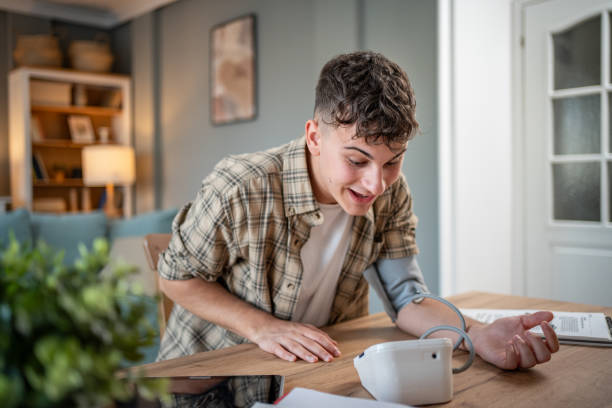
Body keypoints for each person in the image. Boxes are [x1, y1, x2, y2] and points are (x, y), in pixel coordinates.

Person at [156, 51, 560, 407]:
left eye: (392, 161)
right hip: (206, 383)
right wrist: (263, 327)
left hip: (309, 378)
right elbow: (174, 278)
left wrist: (478, 334)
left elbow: (407, 300)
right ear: (315, 137)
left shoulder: (391, 192)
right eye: (357, 160)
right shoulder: (241, 185)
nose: (376, 184)